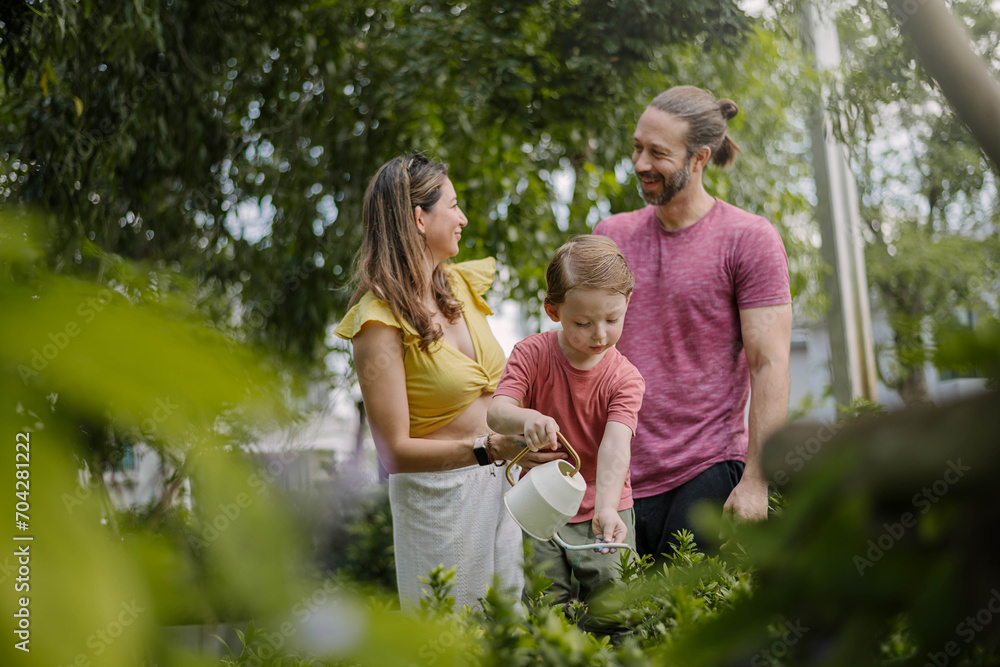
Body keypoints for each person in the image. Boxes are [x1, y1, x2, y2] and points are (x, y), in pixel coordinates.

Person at [334, 152, 550, 612]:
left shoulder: (459, 288)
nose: (463, 218)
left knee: (504, 634)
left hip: (500, 483)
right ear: (418, 217)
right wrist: (488, 448)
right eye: (453, 206)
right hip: (440, 500)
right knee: (452, 637)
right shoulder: (379, 322)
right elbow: (393, 452)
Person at [593, 85, 792, 559]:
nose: (641, 163)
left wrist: (756, 482)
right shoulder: (610, 235)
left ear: (700, 158)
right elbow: (584, 354)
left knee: (682, 622)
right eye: (637, 147)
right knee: (609, 628)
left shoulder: (748, 239)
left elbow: (770, 364)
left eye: (658, 153)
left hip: (707, 468)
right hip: (617, 474)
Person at [487, 235, 645, 635]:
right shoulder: (531, 354)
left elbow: (615, 446)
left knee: (614, 614)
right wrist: (526, 419)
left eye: (613, 319)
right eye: (583, 322)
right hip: (539, 508)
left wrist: (608, 508)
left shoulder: (624, 378)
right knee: (546, 610)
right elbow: (496, 412)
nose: (600, 334)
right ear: (553, 310)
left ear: (627, 302)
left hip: (604, 509)